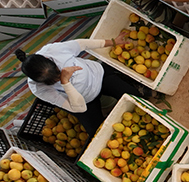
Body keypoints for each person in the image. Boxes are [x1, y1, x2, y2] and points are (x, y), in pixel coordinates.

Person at [16, 36, 150, 136]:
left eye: (58, 72)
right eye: (53, 81)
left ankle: (127, 82)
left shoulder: (53, 50)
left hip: (99, 76)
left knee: (137, 99)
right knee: (97, 134)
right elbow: (79, 108)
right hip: (85, 101)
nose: (58, 78)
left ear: (48, 59)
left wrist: (113, 41)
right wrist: (65, 82)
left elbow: (81, 44)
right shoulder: (38, 89)